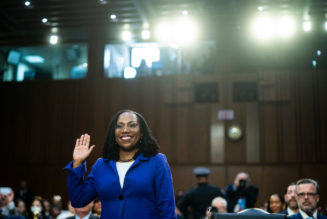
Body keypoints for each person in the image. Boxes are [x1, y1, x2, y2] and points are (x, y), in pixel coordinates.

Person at [64, 110, 176, 219]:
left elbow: (167, 210)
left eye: (132, 125)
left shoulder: (157, 161)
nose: (125, 130)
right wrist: (77, 162)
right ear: (114, 133)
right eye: (119, 126)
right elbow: (78, 200)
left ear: (142, 133)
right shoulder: (101, 165)